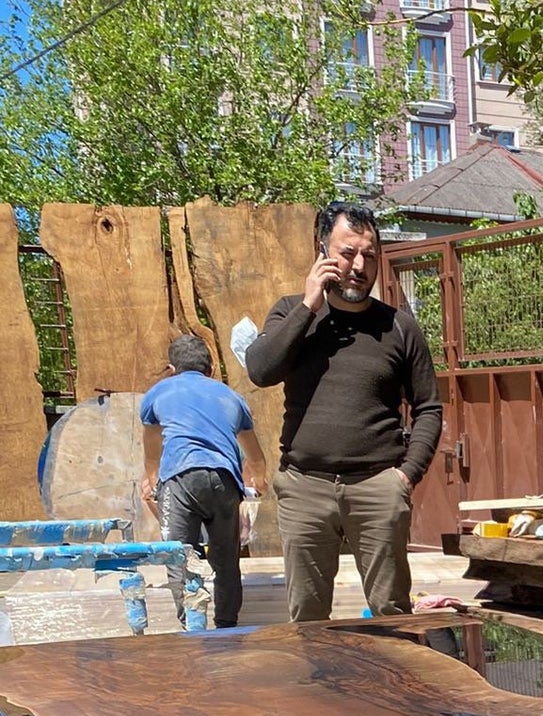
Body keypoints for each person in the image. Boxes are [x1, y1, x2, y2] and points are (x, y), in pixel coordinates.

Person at [244, 200, 442, 621]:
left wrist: (405, 477)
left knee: (392, 613)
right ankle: (320, 690)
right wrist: (309, 305)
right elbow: (260, 370)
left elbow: (428, 407)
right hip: (304, 487)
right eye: (347, 252)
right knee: (308, 617)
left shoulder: (399, 326)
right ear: (322, 251)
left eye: (369, 255)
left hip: (378, 488)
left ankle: (396, 687)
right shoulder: (291, 311)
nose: (358, 265)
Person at [140, 334, 269, 629]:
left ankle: (191, 625)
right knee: (226, 559)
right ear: (210, 369)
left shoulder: (157, 394)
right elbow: (255, 456)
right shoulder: (232, 397)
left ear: (172, 369)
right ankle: (227, 624)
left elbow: (152, 452)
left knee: (180, 555)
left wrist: (152, 481)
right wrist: (258, 481)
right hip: (224, 480)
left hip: (180, 479)